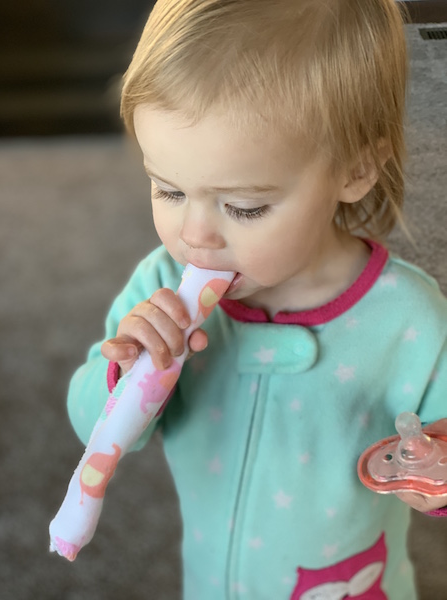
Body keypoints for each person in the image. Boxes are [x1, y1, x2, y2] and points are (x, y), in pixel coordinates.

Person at [67, 0, 447, 597]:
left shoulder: (410, 320)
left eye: (243, 206)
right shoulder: (161, 286)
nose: (194, 235)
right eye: (167, 189)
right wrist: (127, 372)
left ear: (355, 170)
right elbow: (97, 427)